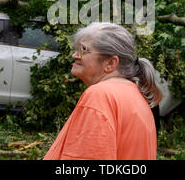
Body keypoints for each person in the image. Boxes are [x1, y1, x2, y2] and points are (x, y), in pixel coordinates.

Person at [43, 22, 162, 160]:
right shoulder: (136, 95)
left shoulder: (101, 95)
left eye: (83, 50)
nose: (75, 55)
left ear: (110, 63)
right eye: (76, 49)